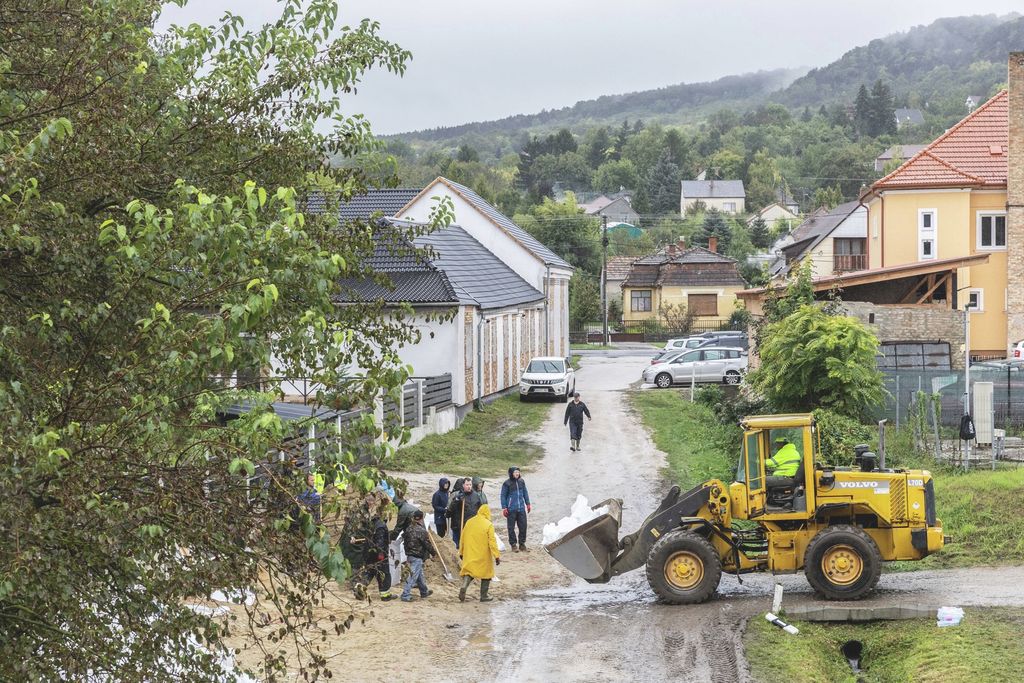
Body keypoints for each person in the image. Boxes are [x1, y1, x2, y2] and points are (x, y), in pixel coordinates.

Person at [350, 492, 395, 602]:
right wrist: (380, 555)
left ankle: (359, 589)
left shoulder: (371, 524)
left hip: (369, 553)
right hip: (379, 555)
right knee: (384, 574)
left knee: (369, 573)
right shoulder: (380, 526)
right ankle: (385, 595)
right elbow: (379, 542)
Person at [458, 504, 501, 603]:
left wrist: (461, 551)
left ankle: (464, 586)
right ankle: (484, 595)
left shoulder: (469, 522)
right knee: (486, 574)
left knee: (469, 572)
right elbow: (492, 542)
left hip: (470, 553)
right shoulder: (488, 524)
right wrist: (496, 556)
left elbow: (462, 538)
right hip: (483, 555)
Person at [400, 510, 436, 602]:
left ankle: (424, 592)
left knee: (419, 575)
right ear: (421, 518)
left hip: (410, 555)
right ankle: (405, 595)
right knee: (412, 576)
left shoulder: (408, 528)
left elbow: (405, 541)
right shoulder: (421, 530)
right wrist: (433, 553)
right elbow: (427, 544)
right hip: (417, 556)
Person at [500, 466, 532, 552]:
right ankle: (513, 545)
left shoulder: (521, 481)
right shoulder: (507, 483)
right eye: (515, 472)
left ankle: (522, 544)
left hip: (521, 508)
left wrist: (528, 503)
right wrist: (504, 508)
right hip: (511, 509)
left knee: (523, 526)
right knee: (511, 528)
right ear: (511, 473)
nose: (517, 473)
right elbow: (503, 495)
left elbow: (525, 492)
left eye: (518, 472)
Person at [447, 477, 483, 549]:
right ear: (463, 485)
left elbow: (481, 509)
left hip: (472, 525)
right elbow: (450, 511)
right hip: (459, 525)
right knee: (458, 545)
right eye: (467, 485)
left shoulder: (476, 496)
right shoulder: (458, 496)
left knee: (470, 544)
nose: (469, 486)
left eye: (470, 485)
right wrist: (456, 501)